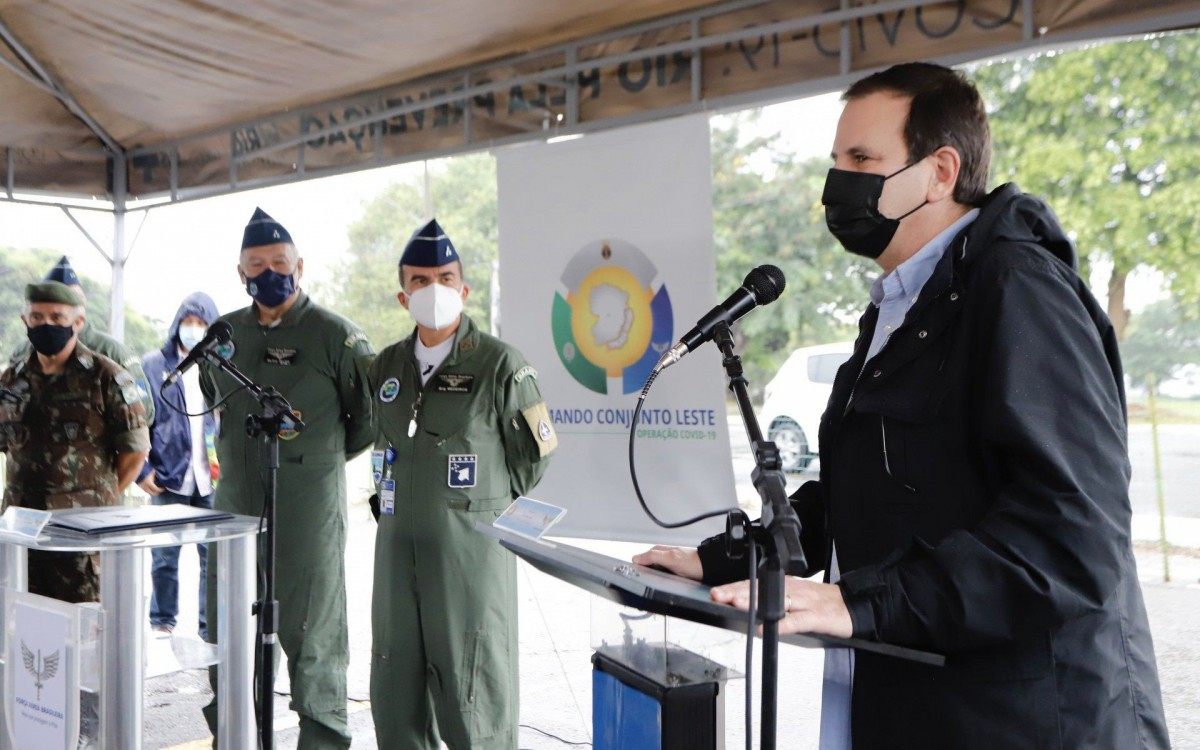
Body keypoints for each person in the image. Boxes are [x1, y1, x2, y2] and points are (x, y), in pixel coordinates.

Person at [635, 62, 1169, 748]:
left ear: (940, 172)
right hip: (923, 703)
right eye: (835, 160)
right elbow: (875, 488)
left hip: (1030, 718)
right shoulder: (901, 302)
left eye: (862, 158)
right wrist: (727, 558)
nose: (838, 183)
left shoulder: (1018, 290)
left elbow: (1073, 536)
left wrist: (863, 602)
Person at [368, 218, 557, 749]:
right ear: (403, 295)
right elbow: (382, 446)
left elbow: (534, 457)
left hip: (468, 559)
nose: (435, 290)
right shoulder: (385, 366)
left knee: (474, 693)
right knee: (395, 690)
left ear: (464, 289)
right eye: (420, 281)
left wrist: (477, 509)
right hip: (396, 554)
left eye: (445, 278)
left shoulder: (501, 365)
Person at [200, 208, 375, 748]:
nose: (269, 271)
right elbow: (215, 404)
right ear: (240, 273)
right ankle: (233, 733)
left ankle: (321, 737)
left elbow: (365, 422)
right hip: (235, 505)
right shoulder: (224, 335)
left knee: (312, 632)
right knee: (229, 628)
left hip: (307, 507)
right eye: (258, 264)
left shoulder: (336, 337)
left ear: (301, 267)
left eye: (280, 262)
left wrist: (308, 461)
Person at [0, 281, 150, 602]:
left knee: (85, 634)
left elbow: (135, 451)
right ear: (25, 321)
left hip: (81, 539)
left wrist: (99, 498)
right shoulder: (12, 379)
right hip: (22, 534)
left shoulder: (106, 376)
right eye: (37, 317)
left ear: (78, 323)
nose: (47, 325)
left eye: (57, 317)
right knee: (21, 632)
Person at [138, 292, 221, 637]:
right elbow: (136, 420)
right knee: (164, 556)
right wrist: (141, 469)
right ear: (177, 324)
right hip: (167, 474)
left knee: (211, 558)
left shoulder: (221, 365)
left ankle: (208, 627)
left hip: (211, 476)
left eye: (201, 324)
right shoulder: (153, 365)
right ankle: (161, 622)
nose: (194, 329)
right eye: (188, 322)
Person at [9, 256, 156, 424]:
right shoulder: (23, 352)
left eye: (61, 309)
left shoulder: (111, 351)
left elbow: (145, 412)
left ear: (81, 310)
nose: (49, 322)